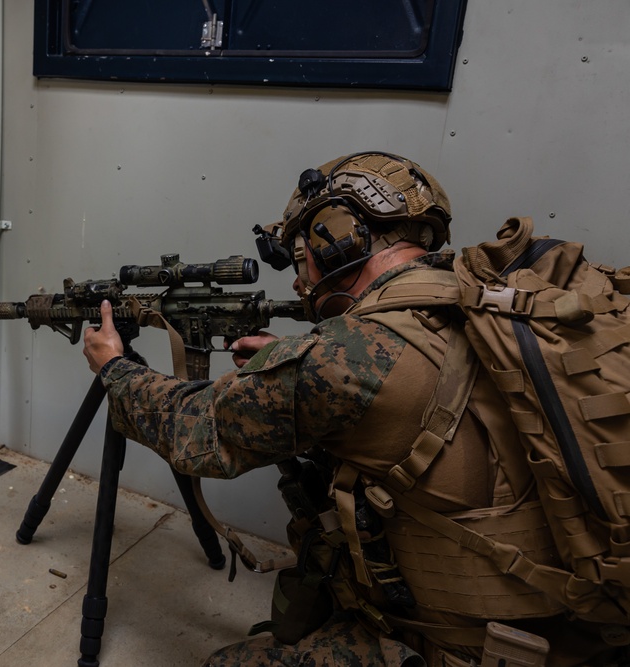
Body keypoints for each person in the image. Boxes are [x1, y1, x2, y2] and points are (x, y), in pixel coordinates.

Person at [82, 152, 621, 666]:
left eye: (300, 255)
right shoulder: (485, 299)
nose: (299, 279)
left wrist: (115, 367)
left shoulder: (346, 359)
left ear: (338, 238)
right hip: (580, 624)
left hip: (471, 648)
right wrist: (290, 364)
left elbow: (191, 430)